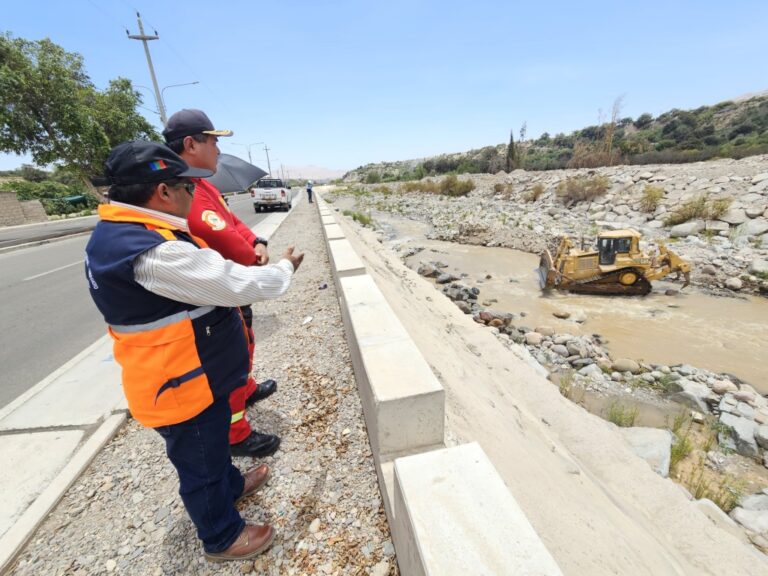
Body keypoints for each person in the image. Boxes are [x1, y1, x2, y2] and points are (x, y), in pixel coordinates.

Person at [84, 140, 304, 561]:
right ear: (163, 191)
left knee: (214, 443)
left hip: (195, 372)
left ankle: (232, 486)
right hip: (181, 384)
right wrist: (284, 269)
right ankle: (220, 536)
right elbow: (236, 283)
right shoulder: (152, 251)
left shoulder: (131, 231)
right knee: (200, 463)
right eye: (187, 188)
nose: (192, 195)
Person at [163, 109, 278, 458]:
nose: (217, 149)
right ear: (190, 144)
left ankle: (247, 388)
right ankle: (237, 433)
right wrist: (253, 255)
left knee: (244, 348)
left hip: (230, 285)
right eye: (212, 141)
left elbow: (232, 224)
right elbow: (225, 240)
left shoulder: (204, 185)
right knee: (230, 362)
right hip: (219, 293)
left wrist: (258, 243)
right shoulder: (186, 190)